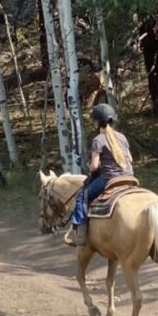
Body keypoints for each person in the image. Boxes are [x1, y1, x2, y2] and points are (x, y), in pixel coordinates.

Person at [64, 103, 133, 248]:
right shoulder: (122, 137)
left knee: (82, 197)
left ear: (97, 122)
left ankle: (81, 236)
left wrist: (92, 168)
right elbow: (130, 159)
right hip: (129, 176)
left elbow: (94, 166)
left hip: (110, 178)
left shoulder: (98, 139)